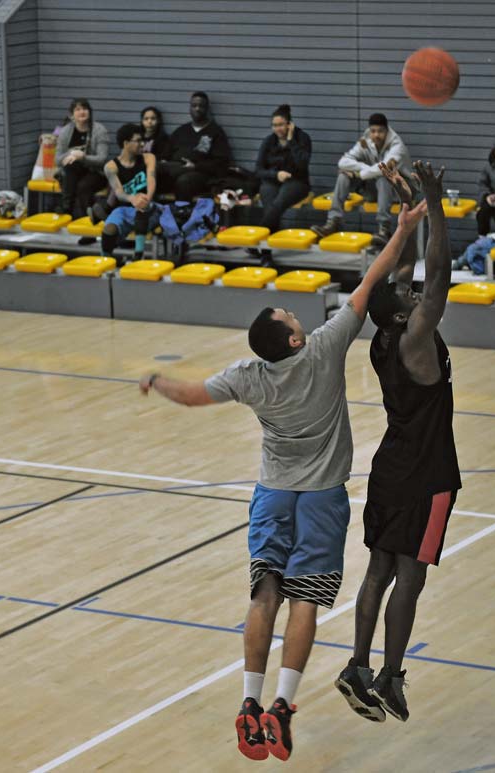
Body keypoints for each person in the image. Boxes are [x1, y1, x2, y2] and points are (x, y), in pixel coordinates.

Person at [139, 162, 431, 762]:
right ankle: (282, 707)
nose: (295, 316)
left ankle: (248, 702)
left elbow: (193, 395)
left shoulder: (249, 376)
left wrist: (158, 382)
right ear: (294, 340)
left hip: (272, 493)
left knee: (263, 594)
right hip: (322, 497)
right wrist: (403, 229)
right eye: (289, 318)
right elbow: (371, 280)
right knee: (306, 600)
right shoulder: (324, 349)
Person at [334, 163, 462, 725]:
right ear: (405, 313)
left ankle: (358, 666)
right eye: (408, 296)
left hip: (388, 469)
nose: (413, 294)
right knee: (409, 577)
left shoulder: (382, 339)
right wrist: (435, 203)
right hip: (428, 475)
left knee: (378, 570)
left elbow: (407, 272)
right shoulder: (416, 339)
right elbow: (438, 274)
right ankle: (390, 676)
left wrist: (404, 209)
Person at [311, 113, 412, 246]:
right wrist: (363, 168)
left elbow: (384, 169)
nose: (376, 135)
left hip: (399, 193)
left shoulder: (397, 146)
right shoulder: (366, 141)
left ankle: (384, 228)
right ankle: (334, 221)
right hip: (374, 191)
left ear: (387, 131)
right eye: (373, 131)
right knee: (344, 175)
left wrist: (359, 174)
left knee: (383, 178)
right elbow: (343, 162)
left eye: (380, 131)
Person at [250, 104, 311, 265]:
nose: (278, 129)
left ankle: (256, 241)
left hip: (297, 182)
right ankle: (266, 254)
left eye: (281, 125)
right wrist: (275, 174)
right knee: (270, 205)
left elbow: (302, 164)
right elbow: (258, 170)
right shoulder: (268, 142)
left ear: (290, 124)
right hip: (272, 180)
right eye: (275, 125)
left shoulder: (302, 138)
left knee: (276, 205)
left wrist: (291, 142)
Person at [100, 124, 158, 265]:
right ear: (126, 143)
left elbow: (151, 180)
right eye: (138, 141)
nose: (142, 144)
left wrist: (146, 199)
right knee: (109, 229)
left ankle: (138, 256)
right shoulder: (111, 167)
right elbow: (119, 192)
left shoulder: (148, 158)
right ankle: (106, 259)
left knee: (142, 210)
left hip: (148, 209)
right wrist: (133, 199)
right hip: (124, 209)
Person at [161, 91, 231, 200]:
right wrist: (164, 162)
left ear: (207, 109)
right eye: (194, 106)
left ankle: (182, 213)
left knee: (184, 181)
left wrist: (195, 166)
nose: (197, 109)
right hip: (176, 167)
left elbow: (221, 164)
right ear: (190, 108)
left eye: (201, 106)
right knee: (153, 173)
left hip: (200, 174)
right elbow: (166, 153)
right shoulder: (181, 131)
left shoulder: (216, 132)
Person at [55, 98, 109, 219]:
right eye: (78, 109)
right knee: (70, 166)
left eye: (85, 109)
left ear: (90, 112)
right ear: (71, 115)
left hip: (96, 172)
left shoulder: (99, 130)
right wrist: (71, 153)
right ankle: (69, 210)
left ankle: (83, 217)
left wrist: (83, 157)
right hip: (73, 172)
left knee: (82, 186)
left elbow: (102, 159)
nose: (82, 112)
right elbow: (58, 160)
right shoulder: (65, 131)